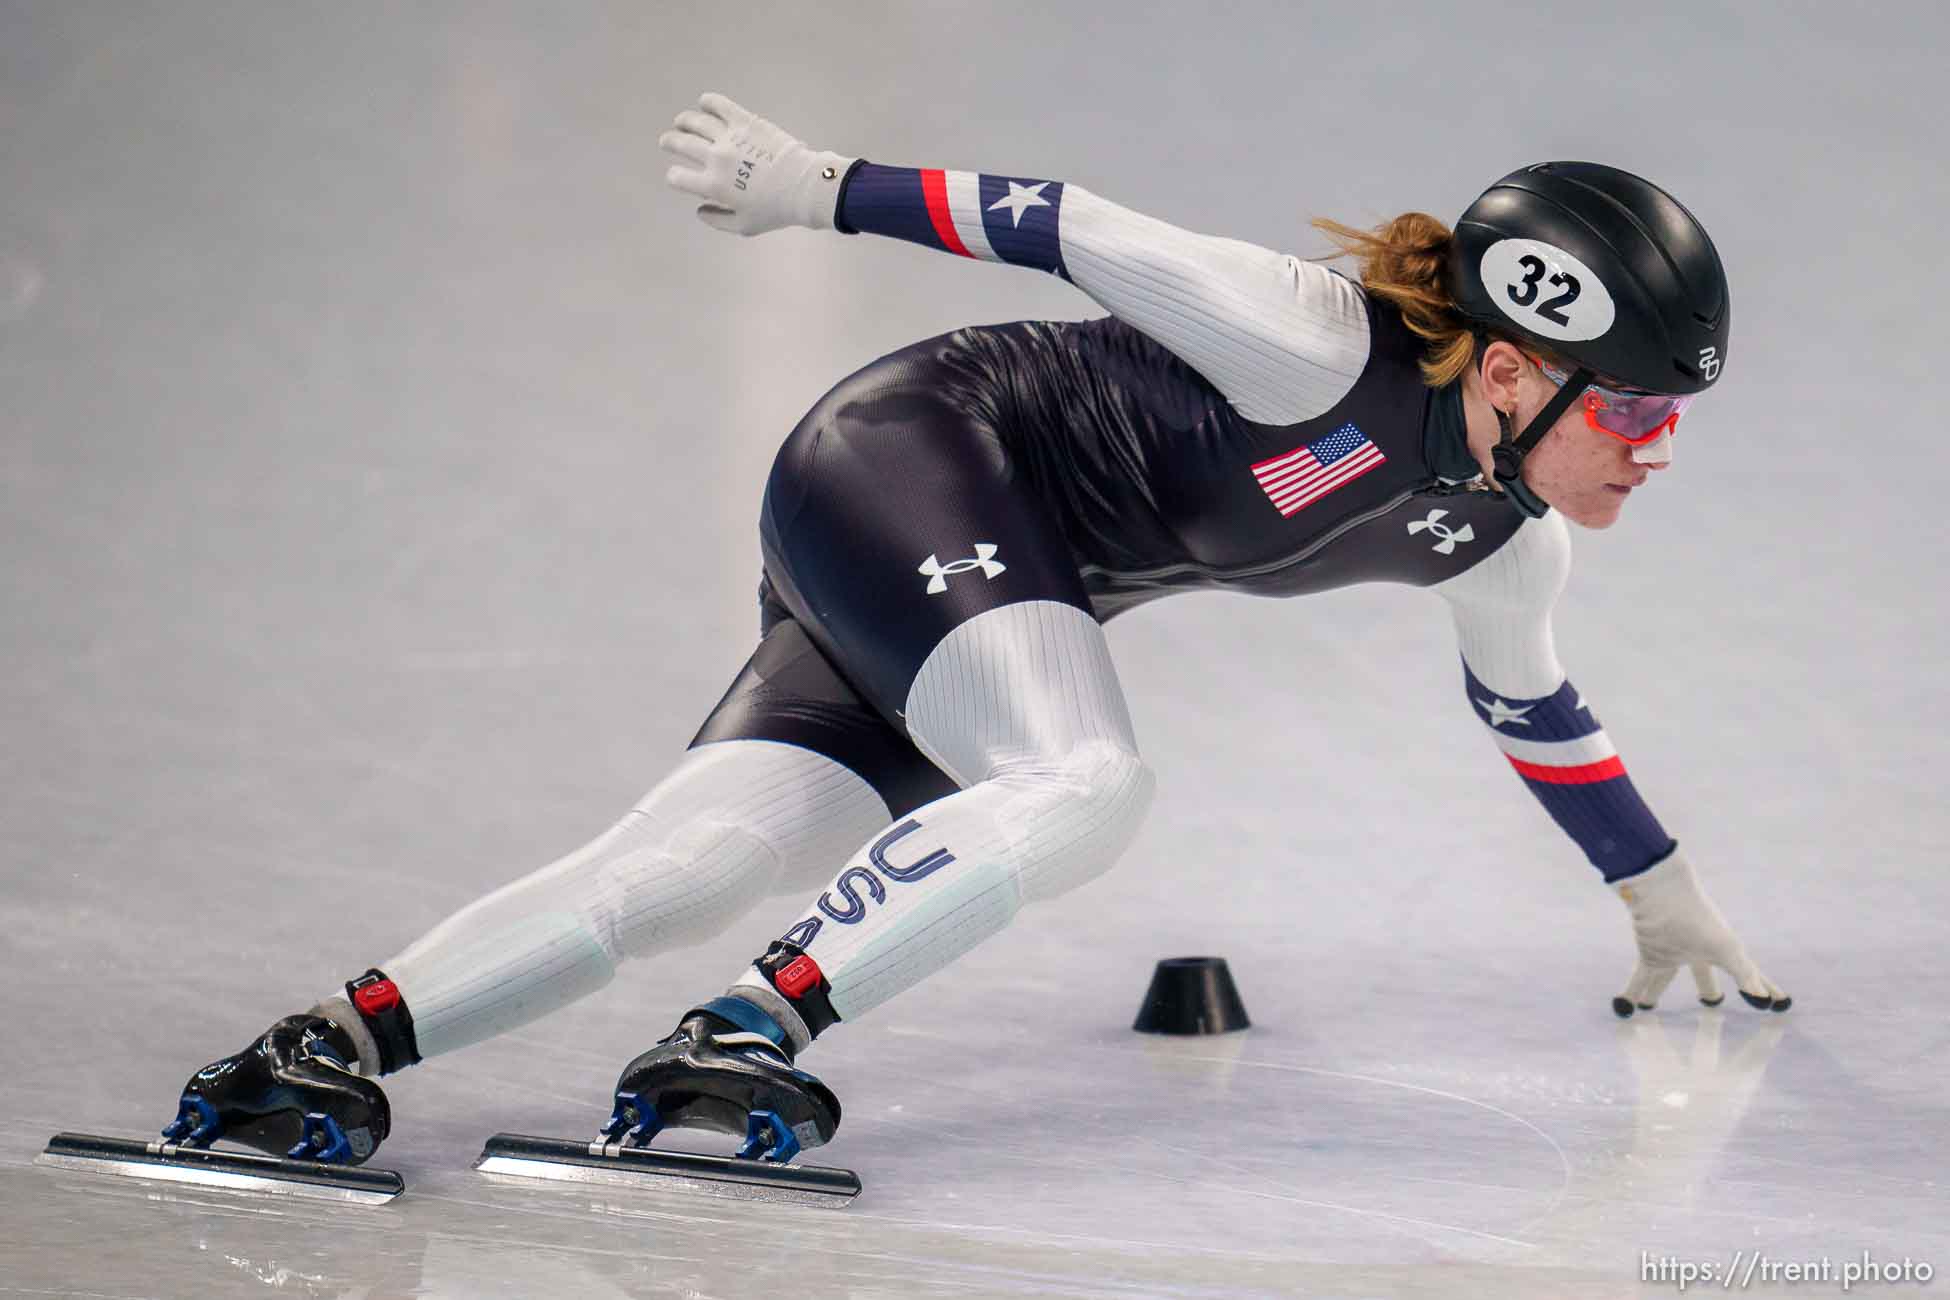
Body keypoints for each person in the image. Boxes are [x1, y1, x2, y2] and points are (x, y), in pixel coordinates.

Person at [162, 94, 1788, 1168]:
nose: (1653, 443)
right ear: (1509, 366)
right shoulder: (1311, 346)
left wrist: (1663, 900)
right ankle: (744, 1034)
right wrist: (814, 189)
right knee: (1082, 778)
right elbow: (1075, 223)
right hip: (922, 457)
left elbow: (1537, 715)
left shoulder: (1497, 541)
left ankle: (317, 1048)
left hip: (979, 580)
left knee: (701, 864)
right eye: (1634, 403)